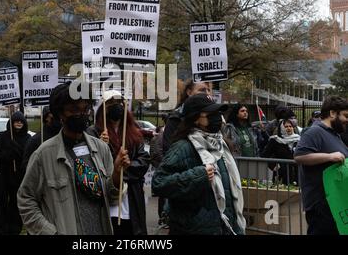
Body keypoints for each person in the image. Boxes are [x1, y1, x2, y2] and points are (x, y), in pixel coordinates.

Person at [17, 82, 130, 235]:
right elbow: (26, 200)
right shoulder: (43, 155)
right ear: (60, 114)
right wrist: (48, 232)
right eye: (74, 110)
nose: (81, 114)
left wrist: (117, 174)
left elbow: (112, 198)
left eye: (85, 109)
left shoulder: (101, 149)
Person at [152, 94, 246, 235]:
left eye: (218, 113)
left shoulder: (221, 146)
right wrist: (198, 175)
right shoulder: (183, 147)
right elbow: (159, 182)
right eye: (211, 113)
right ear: (196, 118)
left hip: (223, 228)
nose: (217, 117)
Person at [87, 90, 150, 235]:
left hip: (131, 201)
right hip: (108, 202)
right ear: (103, 108)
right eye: (110, 103)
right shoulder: (93, 133)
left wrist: (126, 167)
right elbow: (93, 166)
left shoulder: (134, 132)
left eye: (119, 102)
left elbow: (144, 161)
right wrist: (102, 147)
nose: (116, 106)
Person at [294, 96, 348, 235]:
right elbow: (299, 156)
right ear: (332, 113)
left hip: (334, 204)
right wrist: (330, 157)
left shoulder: (334, 134)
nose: (347, 120)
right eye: (345, 115)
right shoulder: (314, 131)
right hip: (320, 205)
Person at [0, 111, 31, 235]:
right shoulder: (4, 136)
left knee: (16, 203)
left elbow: (28, 156)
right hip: (4, 175)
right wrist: (8, 154)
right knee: (1, 202)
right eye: (16, 121)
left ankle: (14, 228)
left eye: (21, 121)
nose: (18, 123)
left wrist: (17, 152)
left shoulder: (27, 138)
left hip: (19, 176)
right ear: (11, 123)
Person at [162, 80, 211, 155]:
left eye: (209, 90)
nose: (207, 93)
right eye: (202, 90)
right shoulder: (176, 119)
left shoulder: (214, 116)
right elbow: (169, 153)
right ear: (189, 92)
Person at [22, 106, 61, 171]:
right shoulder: (36, 140)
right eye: (54, 114)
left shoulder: (64, 137)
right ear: (46, 118)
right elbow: (27, 165)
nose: (59, 118)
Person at [261, 119, 300, 185]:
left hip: (296, 175)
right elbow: (264, 155)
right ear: (281, 128)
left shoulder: (298, 139)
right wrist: (273, 165)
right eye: (286, 126)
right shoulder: (275, 140)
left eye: (290, 126)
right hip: (281, 175)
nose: (289, 128)